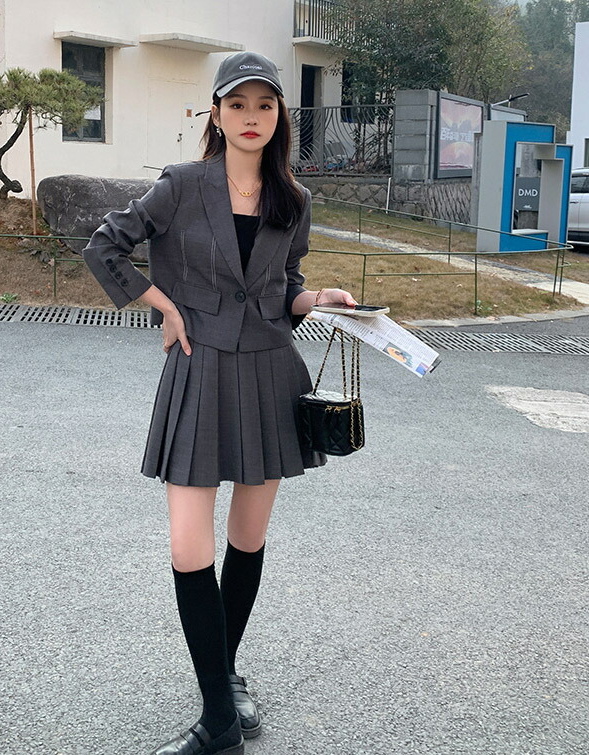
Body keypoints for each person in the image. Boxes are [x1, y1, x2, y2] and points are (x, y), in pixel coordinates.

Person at [82, 50, 357, 755]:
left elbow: (283, 288)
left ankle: (222, 685)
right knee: (187, 544)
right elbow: (105, 246)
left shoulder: (293, 199)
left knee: (248, 538)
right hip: (198, 369)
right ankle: (220, 716)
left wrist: (317, 297)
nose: (251, 117)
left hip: (269, 372)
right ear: (217, 113)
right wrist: (162, 304)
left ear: (280, 115)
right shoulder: (182, 184)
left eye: (264, 105)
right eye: (238, 104)